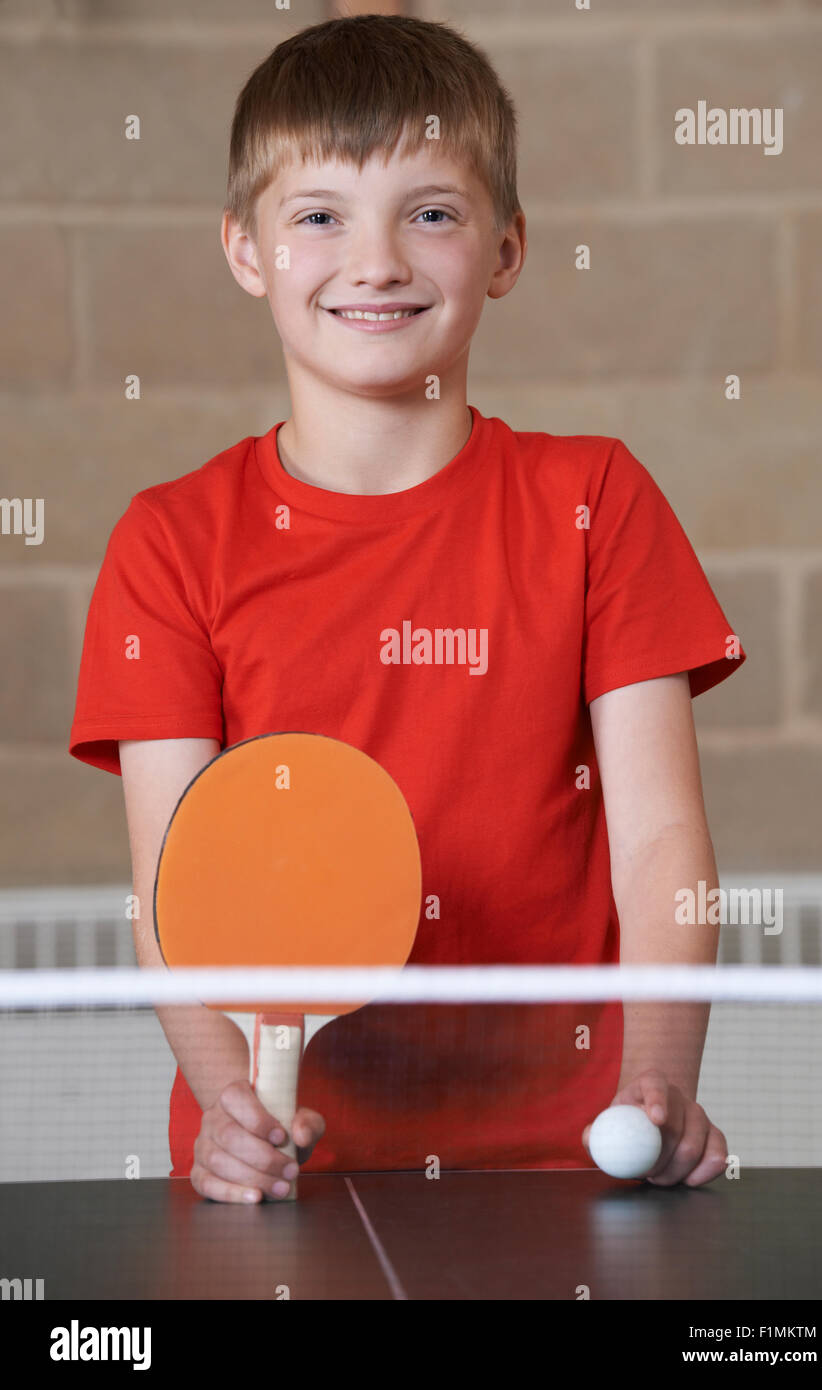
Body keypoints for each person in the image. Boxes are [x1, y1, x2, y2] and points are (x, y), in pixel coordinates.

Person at [70, 14, 745, 1203]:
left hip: (570, 1167)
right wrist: (234, 1106)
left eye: (429, 213)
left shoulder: (597, 500)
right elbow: (175, 896)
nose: (375, 261)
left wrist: (656, 1082)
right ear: (246, 250)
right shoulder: (167, 543)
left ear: (506, 247)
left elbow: (659, 848)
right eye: (318, 216)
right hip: (297, 1177)